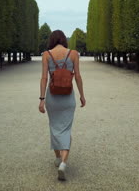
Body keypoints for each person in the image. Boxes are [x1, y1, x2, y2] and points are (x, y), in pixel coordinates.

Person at [39, 30, 86, 181]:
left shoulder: (46, 54)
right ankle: (63, 164)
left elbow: (44, 78)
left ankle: (58, 157)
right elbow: (77, 76)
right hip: (67, 97)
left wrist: (41, 99)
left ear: (52, 40)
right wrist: (82, 95)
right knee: (65, 129)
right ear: (64, 40)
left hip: (52, 97)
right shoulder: (73, 54)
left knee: (54, 126)